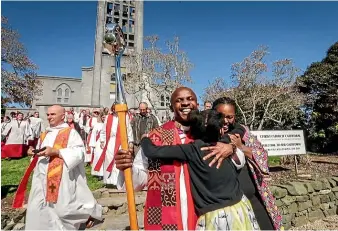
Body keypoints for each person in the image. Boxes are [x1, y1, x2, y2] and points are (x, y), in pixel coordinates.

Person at [113, 87, 237, 230]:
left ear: (197, 104)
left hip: (204, 215)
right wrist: (126, 168)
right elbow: (139, 181)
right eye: (179, 100)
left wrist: (231, 147)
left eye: (190, 99)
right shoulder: (155, 138)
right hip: (164, 216)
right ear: (171, 106)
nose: (185, 103)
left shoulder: (209, 134)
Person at [140, 109, 260, 230]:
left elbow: (152, 151)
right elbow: (240, 128)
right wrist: (231, 145)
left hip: (216, 217)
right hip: (241, 208)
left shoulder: (192, 150)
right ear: (220, 130)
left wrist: (144, 139)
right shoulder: (224, 143)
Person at [13, 105, 102, 230]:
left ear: (62, 116)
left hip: (61, 176)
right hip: (42, 175)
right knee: (39, 207)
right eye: (48, 114)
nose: (49, 117)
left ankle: (86, 215)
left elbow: (80, 153)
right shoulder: (45, 134)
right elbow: (41, 150)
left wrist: (56, 152)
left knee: (64, 209)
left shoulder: (70, 133)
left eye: (53, 114)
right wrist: (33, 152)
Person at [211, 97, 283, 230]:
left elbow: (262, 156)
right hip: (227, 207)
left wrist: (240, 147)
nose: (225, 121)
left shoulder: (244, 133)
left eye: (230, 117)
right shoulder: (207, 136)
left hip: (254, 198)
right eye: (221, 116)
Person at [94, 103, 134, 185]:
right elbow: (103, 130)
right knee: (108, 159)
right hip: (110, 141)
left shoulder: (124, 116)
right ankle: (109, 181)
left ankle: (118, 182)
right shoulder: (109, 117)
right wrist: (102, 140)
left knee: (119, 160)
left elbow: (129, 130)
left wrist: (130, 142)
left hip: (121, 142)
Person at [90, 112, 105, 178]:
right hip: (98, 144)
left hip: (107, 143)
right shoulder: (97, 125)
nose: (104, 118)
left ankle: (105, 173)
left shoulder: (109, 124)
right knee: (98, 156)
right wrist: (93, 144)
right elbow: (93, 134)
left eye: (105, 117)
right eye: (103, 117)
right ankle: (98, 173)